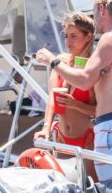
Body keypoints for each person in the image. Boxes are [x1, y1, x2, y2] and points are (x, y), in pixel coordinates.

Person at [36, 0, 112, 181]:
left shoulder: (111, 39)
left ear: (103, 9)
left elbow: (85, 81)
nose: (94, 18)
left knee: (111, 188)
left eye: (94, 11)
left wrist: (52, 61)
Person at [33, 12, 96, 150]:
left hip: (89, 138)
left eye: (74, 36)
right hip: (61, 136)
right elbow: (52, 99)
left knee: (89, 173)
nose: (67, 42)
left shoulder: (95, 67)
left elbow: (101, 111)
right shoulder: (60, 62)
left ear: (88, 36)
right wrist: (46, 128)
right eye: (66, 36)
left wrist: (75, 104)